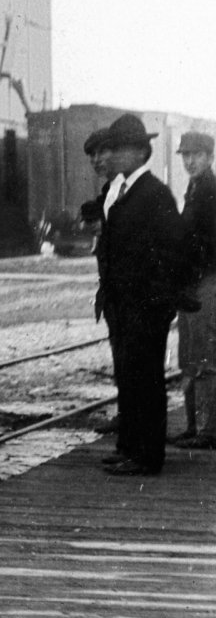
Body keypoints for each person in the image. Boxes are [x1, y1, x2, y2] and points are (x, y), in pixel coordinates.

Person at [81, 112, 194, 476]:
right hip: (123, 304)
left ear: (138, 153)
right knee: (129, 377)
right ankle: (129, 447)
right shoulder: (123, 192)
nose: (110, 156)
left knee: (146, 380)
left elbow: (176, 251)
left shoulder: (154, 193)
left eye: (118, 149)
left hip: (145, 307)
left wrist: (160, 300)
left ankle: (147, 456)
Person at [171, 132, 216, 448]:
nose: (189, 161)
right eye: (185, 155)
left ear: (210, 157)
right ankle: (192, 426)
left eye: (196, 155)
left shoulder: (211, 191)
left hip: (207, 280)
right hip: (191, 282)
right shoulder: (194, 188)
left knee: (206, 356)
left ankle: (208, 430)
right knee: (189, 354)